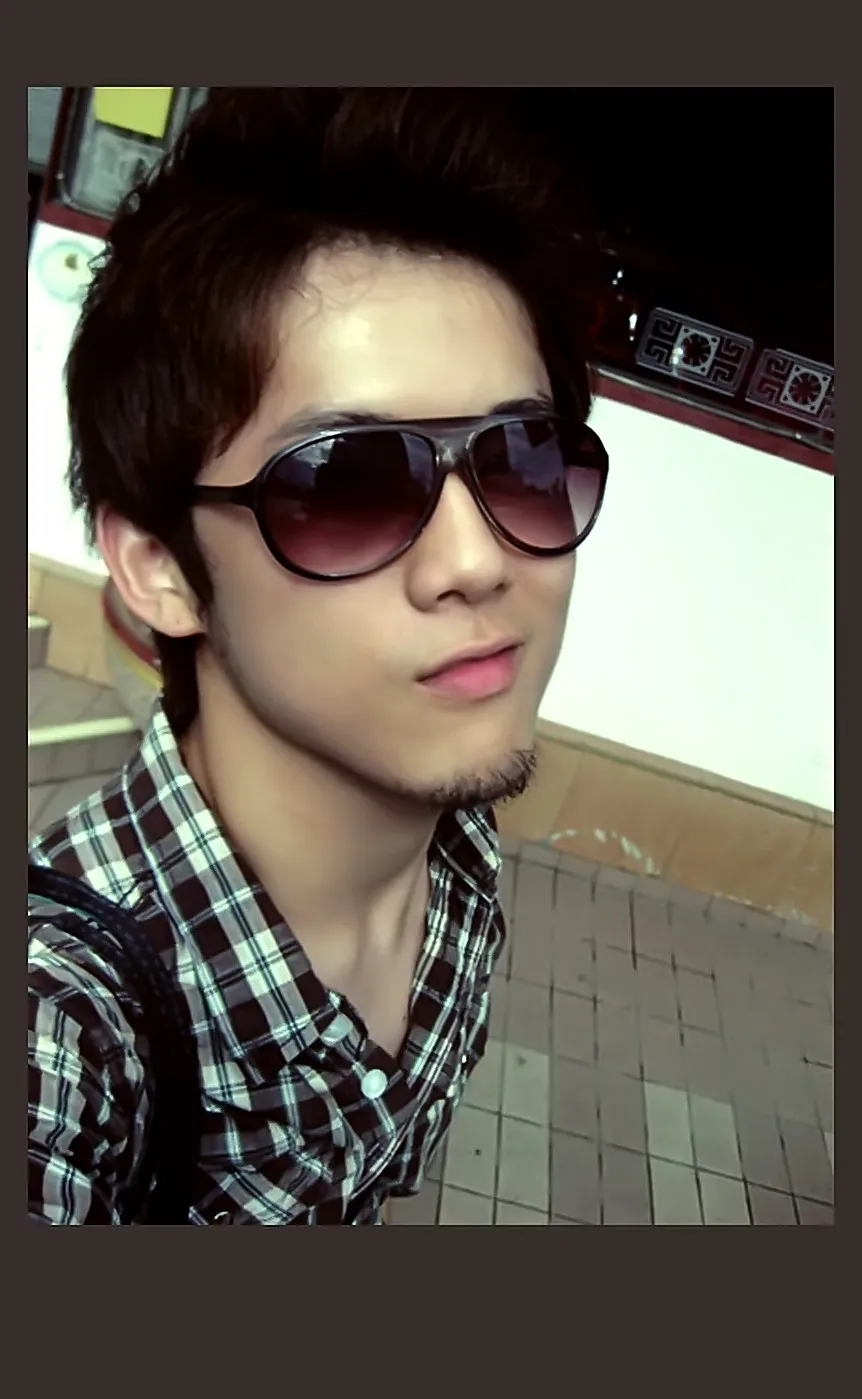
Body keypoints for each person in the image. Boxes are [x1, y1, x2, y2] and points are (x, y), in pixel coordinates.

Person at [28, 88, 608, 1225]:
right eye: (346, 484)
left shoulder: (456, 849)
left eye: (522, 458)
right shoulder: (68, 1026)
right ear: (161, 568)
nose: (475, 560)